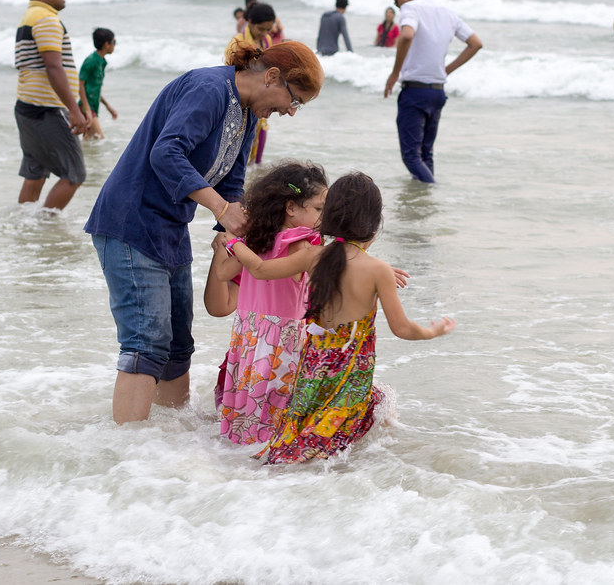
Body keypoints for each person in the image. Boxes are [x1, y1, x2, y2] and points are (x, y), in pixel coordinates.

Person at [84, 40, 324, 425]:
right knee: (147, 341)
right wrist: (221, 210)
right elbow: (166, 153)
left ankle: (172, 437)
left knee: (178, 345)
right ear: (272, 77)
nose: (290, 112)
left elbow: (233, 180)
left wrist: (231, 231)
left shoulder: (248, 114)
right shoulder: (209, 88)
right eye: (294, 100)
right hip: (131, 223)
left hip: (170, 227)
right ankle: (126, 455)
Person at [224, 172, 455, 464]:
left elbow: (257, 268)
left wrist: (233, 242)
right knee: (381, 404)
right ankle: (372, 466)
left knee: (301, 435)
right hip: (349, 377)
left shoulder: (314, 256)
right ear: (375, 222)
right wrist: (432, 332)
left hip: (312, 369)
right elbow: (402, 328)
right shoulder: (378, 270)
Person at [205, 161, 328, 446]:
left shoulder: (255, 242)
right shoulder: (302, 244)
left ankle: (240, 460)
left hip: (249, 340)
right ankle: (271, 468)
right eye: (319, 208)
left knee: (249, 412)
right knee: (276, 414)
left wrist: (228, 242)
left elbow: (223, 273)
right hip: (281, 342)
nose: (325, 216)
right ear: (291, 208)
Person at [383, 0, 483, 183]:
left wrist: (395, 73)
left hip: (415, 92)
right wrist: (446, 70)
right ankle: (425, 208)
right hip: (437, 91)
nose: (398, 7)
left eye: (396, 2)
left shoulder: (411, 8)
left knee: (411, 156)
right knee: (426, 153)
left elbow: (407, 35)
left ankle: (431, 191)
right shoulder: (447, 11)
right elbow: (475, 43)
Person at [14, 0, 90, 210]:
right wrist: (74, 109)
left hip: (27, 107)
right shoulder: (46, 19)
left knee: (35, 172)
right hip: (46, 109)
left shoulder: (29, 16)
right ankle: (46, 229)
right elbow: (53, 67)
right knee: (75, 175)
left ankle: (26, 227)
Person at [225, 3, 279, 164]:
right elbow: (229, 74)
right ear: (250, 23)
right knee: (238, 151)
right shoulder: (237, 43)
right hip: (241, 101)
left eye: (268, 30)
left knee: (257, 158)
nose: (265, 34)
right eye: (261, 29)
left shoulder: (267, 40)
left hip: (260, 102)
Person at [78, 28, 118, 140]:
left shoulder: (102, 62)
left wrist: (108, 106)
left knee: (89, 141)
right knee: (100, 139)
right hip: (87, 107)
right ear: (107, 44)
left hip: (93, 107)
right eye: (114, 42)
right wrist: (88, 111)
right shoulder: (91, 61)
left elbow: (94, 89)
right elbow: (80, 85)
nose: (114, 45)